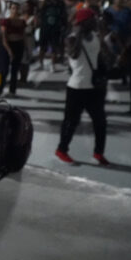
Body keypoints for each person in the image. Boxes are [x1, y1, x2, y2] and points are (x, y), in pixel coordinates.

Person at [55, 9, 110, 166]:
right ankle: (62, 150)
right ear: (84, 22)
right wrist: (78, 32)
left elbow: (102, 56)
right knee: (71, 122)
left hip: (94, 87)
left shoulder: (96, 38)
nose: (95, 20)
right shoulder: (72, 39)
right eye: (92, 19)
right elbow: (73, 54)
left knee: (100, 122)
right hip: (76, 87)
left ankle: (99, 153)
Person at [2, 1, 26, 95]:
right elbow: (4, 37)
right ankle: (1, 88)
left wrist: (26, 48)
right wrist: (9, 50)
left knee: (15, 69)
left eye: (17, 8)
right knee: (5, 69)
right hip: (8, 45)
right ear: (10, 9)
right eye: (13, 8)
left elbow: (23, 36)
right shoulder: (6, 21)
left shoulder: (22, 22)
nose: (15, 10)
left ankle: (12, 90)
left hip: (19, 45)